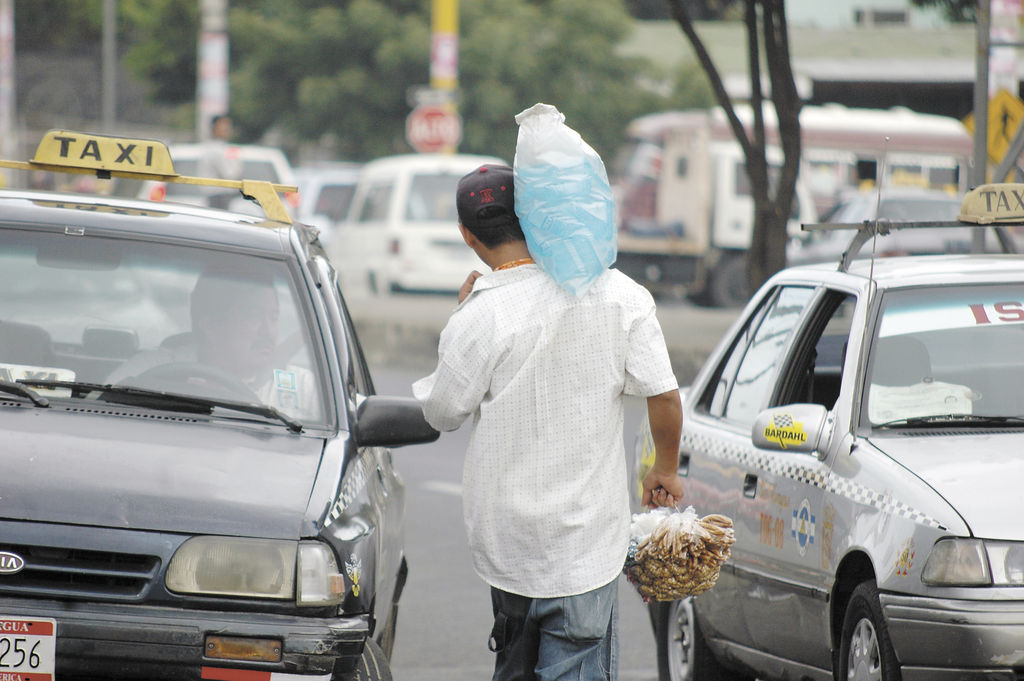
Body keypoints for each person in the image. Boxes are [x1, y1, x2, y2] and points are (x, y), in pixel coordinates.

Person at [412, 164, 684, 681]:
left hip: (509, 548)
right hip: (586, 549)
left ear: (467, 234)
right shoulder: (618, 294)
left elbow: (442, 412)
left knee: (514, 665)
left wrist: (462, 314)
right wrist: (664, 469)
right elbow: (664, 394)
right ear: (533, 213)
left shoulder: (480, 314)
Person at [107, 265, 319, 419]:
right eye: (253, 316)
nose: (268, 331)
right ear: (211, 326)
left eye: (274, 317)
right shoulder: (153, 370)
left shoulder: (303, 388)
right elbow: (103, 413)